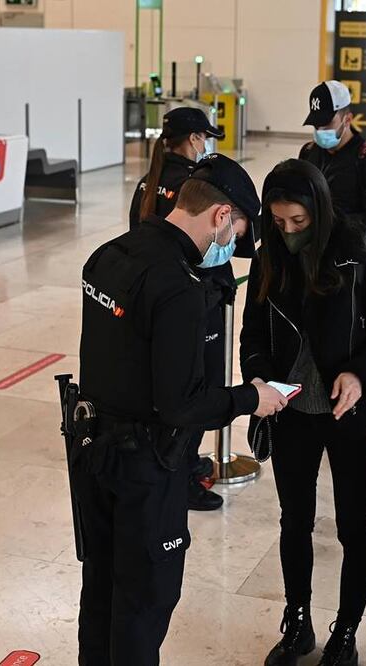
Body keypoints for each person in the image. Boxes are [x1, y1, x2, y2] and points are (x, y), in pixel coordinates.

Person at [73, 155, 289, 665]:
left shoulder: (108, 254)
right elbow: (179, 403)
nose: (231, 248)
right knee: (145, 600)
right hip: (146, 469)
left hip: (91, 452)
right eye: (235, 233)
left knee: (100, 587)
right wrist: (249, 398)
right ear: (219, 216)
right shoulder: (179, 288)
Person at [240, 159, 366, 666]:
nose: (288, 232)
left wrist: (360, 373)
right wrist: (260, 379)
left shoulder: (358, 253)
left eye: (299, 222)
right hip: (290, 411)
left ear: (319, 211)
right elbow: (251, 334)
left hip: (347, 412)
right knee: (295, 521)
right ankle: (298, 621)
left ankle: (347, 629)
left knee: (354, 528)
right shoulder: (269, 257)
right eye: (280, 222)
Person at [127, 107, 254, 513]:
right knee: (195, 391)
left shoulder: (148, 182)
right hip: (197, 304)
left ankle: (180, 461)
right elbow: (203, 253)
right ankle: (183, 476)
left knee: (166, 383)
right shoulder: (194, 187)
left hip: (155, 299)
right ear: (196, 139)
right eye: (204, 137)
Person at [300, 81, 366, 245]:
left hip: (351, 253)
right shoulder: (309, 153)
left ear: (348, 120)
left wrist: (336, 228)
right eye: (316, 125)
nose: (320, 131)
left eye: (327, 124)